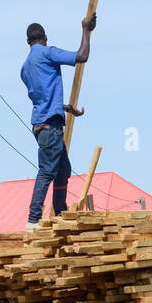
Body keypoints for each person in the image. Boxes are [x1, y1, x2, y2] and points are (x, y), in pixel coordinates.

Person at [20, 14, 97, 225]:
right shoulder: (48, 52)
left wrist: (67, 108)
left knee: (63, 169)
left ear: (28, 42)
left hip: (40, 125)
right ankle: (33, 220)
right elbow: (81, 56)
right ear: (45, 38)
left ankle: (61, 213)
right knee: (47, 171)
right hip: (50, 125)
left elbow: (43, 96)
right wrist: (86, 31)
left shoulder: (25, 68)